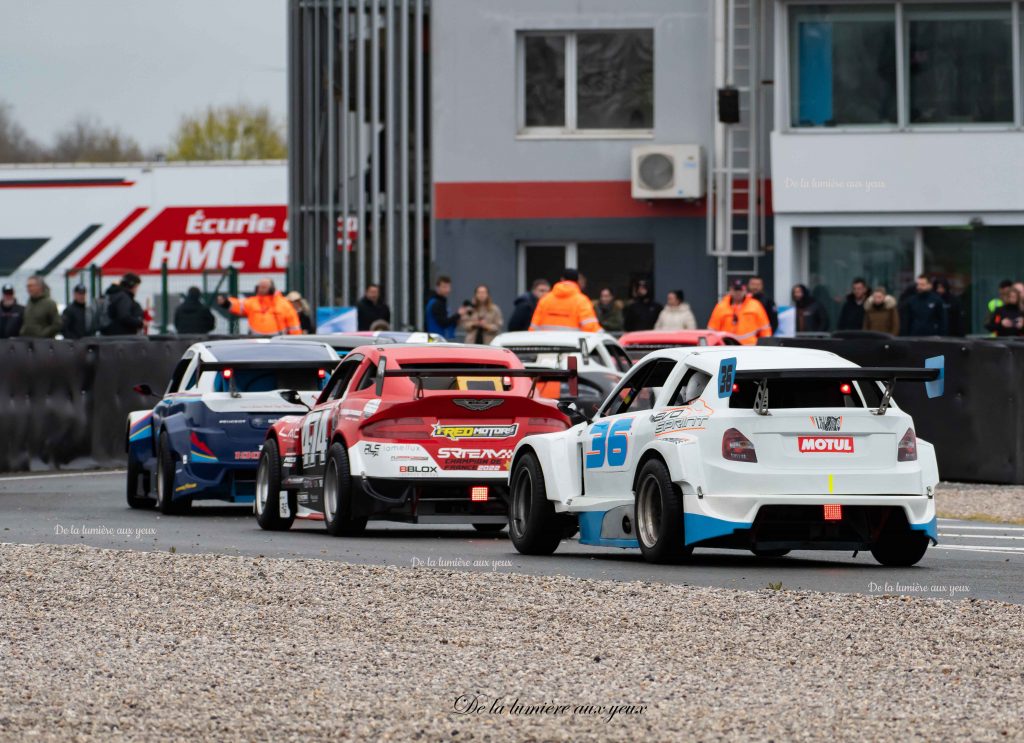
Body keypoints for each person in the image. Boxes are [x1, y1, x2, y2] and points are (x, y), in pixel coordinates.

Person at [217, 278, 302, 335]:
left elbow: (294, 326)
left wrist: (294, 343)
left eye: (264, 287)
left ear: (272, 289)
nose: (260, 289)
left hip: (277, 341)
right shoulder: (253, 302)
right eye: (259, 287)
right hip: (255, 341)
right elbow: (238, 305)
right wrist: (226, 302)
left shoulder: (284, 304)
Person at [529, 268, 601, 332]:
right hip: (572, 344)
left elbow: (534, 326)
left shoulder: (545, 299)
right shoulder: (582, 300)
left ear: (562, 279)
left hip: (547, 344)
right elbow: (590, 326)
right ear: (577, 281)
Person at [707, 279, 772, 345]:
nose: (738, 293)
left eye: (740, 290)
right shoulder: (721, 306)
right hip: (727, 346)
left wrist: (765, 345)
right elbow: (712, 330)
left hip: (750, 346)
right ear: (731, 290)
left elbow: (765, 329)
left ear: (745, 290)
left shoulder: (755, 305)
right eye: (736, 290)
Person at [425, 275, 467, 339]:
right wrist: (458, 314)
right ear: (437, 287)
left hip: (436, 338)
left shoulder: (438, 301)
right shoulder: (436, 303)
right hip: (437, 339)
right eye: (444, 287)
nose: (447, 290)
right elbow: (444, 323)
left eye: (448, 287)